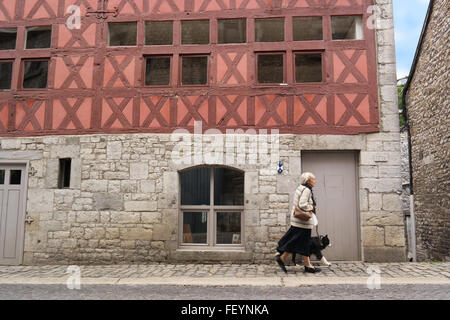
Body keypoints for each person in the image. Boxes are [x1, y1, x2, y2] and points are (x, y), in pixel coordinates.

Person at [275, 172, 321, 273]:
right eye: (313, 179)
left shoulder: (300, 187)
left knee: (300, 242)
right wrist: (312, 207)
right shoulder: (307, 190)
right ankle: (283, 257)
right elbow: (302, 204)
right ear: (308, 181)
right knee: (300, 242)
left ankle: (306, 265)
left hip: (298, 221)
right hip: (303, 222)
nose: (314, 181)